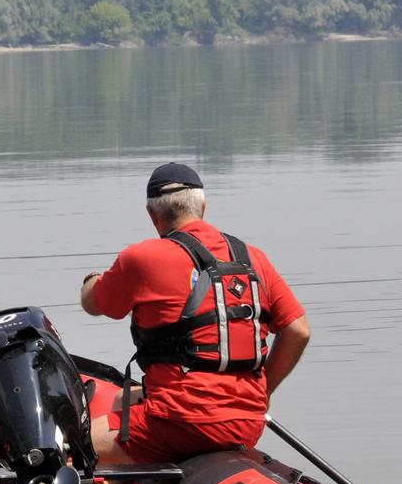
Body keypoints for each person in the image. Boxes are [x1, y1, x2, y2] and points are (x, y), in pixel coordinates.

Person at [79, 162, 311, 464]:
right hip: (248, 422)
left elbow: (94, 304)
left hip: (178, 423)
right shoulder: (253, 257)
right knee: (122, 400)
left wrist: (91, 282)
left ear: (153, 215)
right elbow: (298, 331)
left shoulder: (141, 258)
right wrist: (263, 392)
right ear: (203, 205)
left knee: (74, 447)